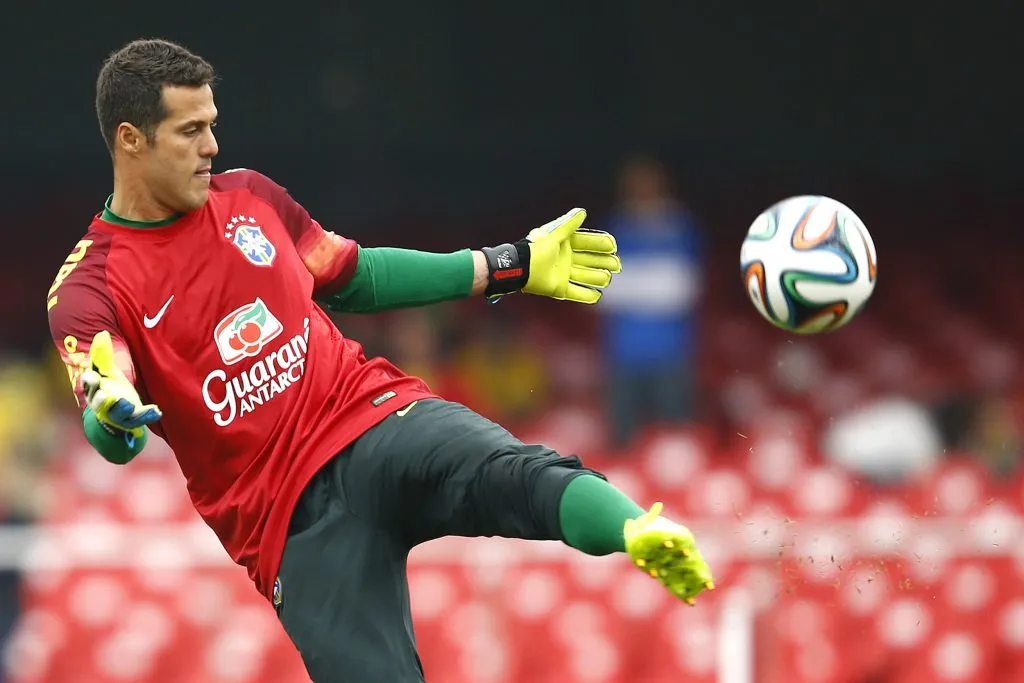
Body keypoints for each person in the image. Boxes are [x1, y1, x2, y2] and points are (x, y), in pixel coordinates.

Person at [45, 39, 713, 682]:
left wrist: (510, 265)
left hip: (371, 421)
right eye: (190, 130)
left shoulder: (249, 197)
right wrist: (113, 417)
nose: (213, 146)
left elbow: (355, 274)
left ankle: (633, 527)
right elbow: (109, 406)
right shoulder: (89, 287)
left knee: (511, 472)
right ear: (131, 139)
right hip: (291, 526)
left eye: (213, 125)